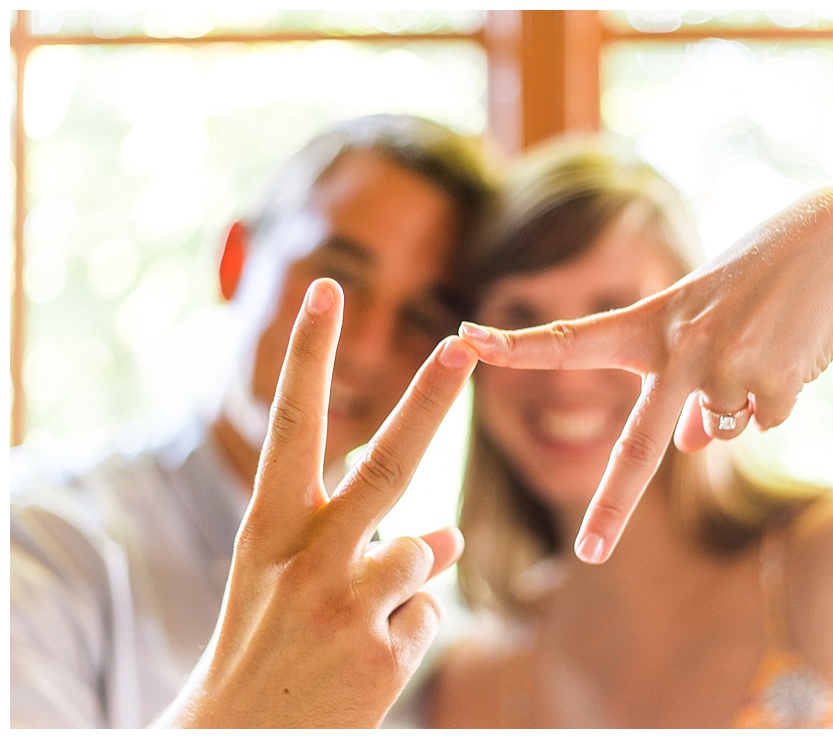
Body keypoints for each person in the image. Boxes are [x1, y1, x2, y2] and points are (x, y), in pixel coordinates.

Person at [409, 141, 833, 728]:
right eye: (520, 318)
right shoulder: (463, 681)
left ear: (710, 329)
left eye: (616, 311)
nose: (566, 376)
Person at [10, 114, 495, 728]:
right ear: (234, 261)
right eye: (340, 276)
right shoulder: (39, 538)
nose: (367, 347)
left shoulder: (427, 630)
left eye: (421, 315)